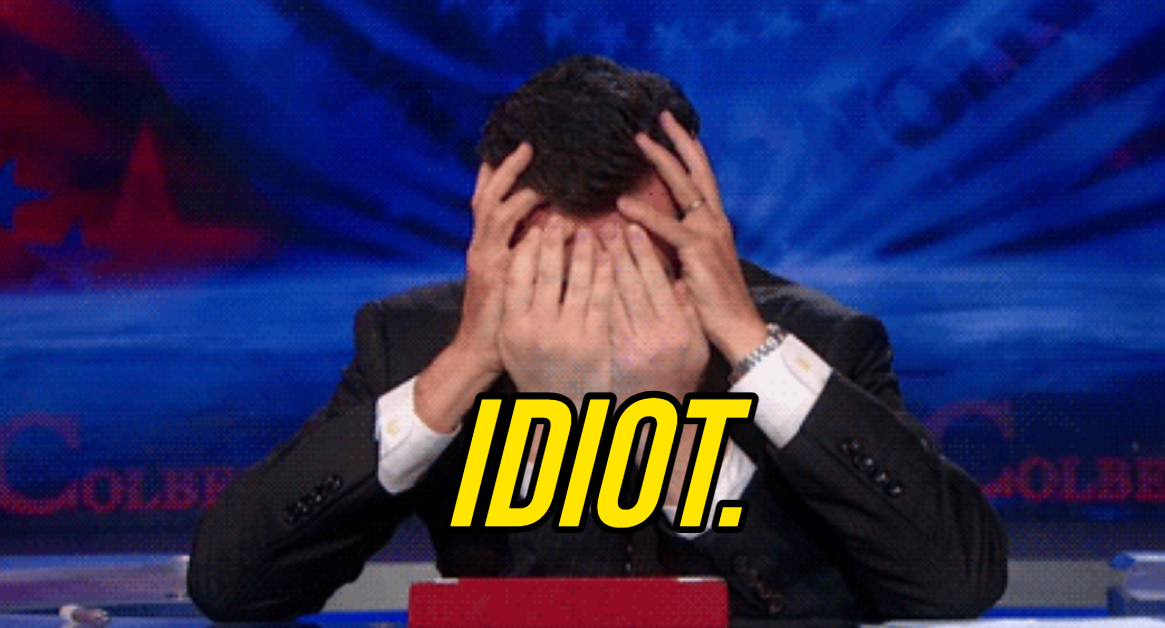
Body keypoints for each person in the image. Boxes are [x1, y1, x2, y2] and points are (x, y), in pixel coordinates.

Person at [187, 56, 1008, 622]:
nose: (597, 299)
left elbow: (957, 584)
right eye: (559, 265)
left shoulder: (818, 345)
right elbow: (233, 586)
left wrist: (706, 390)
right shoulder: (417, 344)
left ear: (695, 236)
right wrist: (465, 368)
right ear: (496, 240)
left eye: (636, 261)